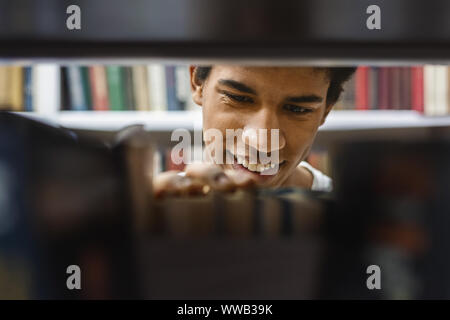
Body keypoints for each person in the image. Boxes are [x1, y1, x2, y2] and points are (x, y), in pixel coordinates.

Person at [154, 65, 356, 197]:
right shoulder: (162, 213)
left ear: (325, 112)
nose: (263, 143)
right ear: (197, 83)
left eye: (298, 109)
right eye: (239, 98)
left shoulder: (351, 225)